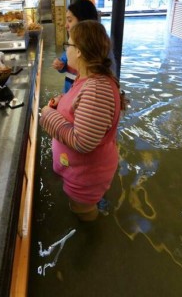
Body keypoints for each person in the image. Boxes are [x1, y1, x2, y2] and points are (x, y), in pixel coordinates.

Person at [40, 20, 122, 221]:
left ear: (79, 51)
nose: (66, 50)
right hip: (83, 172)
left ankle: (95, 241)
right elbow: (81, 110)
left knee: (83, 213)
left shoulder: (96, 89)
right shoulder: (86, 79)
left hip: (87, 176)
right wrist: (61, 103)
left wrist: (47, 115)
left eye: (68, 44)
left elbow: (82, 141)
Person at [52, 0, 99, 92]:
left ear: (83, 21)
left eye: (70, 20)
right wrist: (60, 65)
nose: (66, 25)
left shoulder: (96, 51)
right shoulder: (74, 45)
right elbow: (65, 62)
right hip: (69, 95)